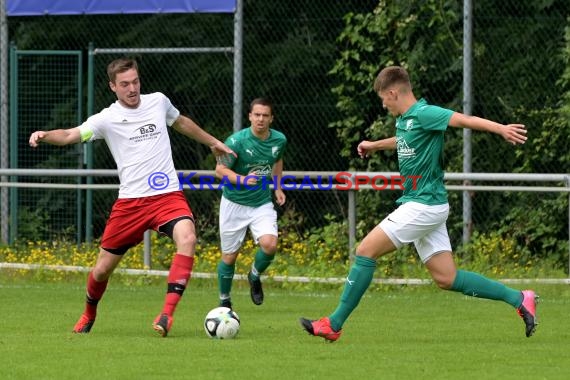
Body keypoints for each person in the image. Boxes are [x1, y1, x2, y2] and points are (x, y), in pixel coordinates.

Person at [299, 65, 538, 341]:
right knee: (446, 278)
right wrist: (374, 145)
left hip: (423, 206)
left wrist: (501, 129)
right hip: (428, 206)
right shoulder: (406, 120)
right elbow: (403, 140)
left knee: (365, 250)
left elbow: (462, 120)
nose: (383, 105)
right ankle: (520, 298)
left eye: (383, 99)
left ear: (392, 92)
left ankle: (334, 323)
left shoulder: (425, 113)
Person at [28, 57, 234, 337]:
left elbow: (181, 122)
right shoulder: (106, 119)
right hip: (130, 204)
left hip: (166, 196)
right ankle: (89, 312)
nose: (132, 88)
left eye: (135, 81)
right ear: (113, 86)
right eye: (125, 84)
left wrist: (212, 141)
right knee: (101, 271)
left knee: (188, 238)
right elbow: (69, 135)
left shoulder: (158, 102)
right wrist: (44, 135)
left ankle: (166, 314)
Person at [214, 97, 287, 309]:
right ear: (250, 117)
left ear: (271, 118)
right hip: (234, 203)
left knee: (270, 244)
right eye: (257, 115)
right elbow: (219, 170)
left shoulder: (279, 140)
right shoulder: (236, 142)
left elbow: (278, 160)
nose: (261, 119)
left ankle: (254, 276)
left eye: (265, 115)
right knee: (229, 257)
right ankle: (224, 301)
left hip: (261, 203)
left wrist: (278, 186)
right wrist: (243, 179)